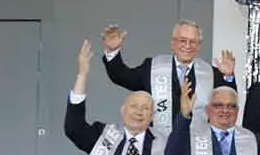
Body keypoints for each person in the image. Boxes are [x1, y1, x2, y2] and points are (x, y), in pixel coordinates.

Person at [100, 20, 236, 136]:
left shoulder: (211, 73)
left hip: (196, 150)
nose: (187, 46)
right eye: (183, 40)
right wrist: (112, 52)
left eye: (193, 42)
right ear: (173, 43)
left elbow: (228, 102)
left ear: (199, 46)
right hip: (158, 146)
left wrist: (228, 76)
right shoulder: (152, 67)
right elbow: (122, 77)